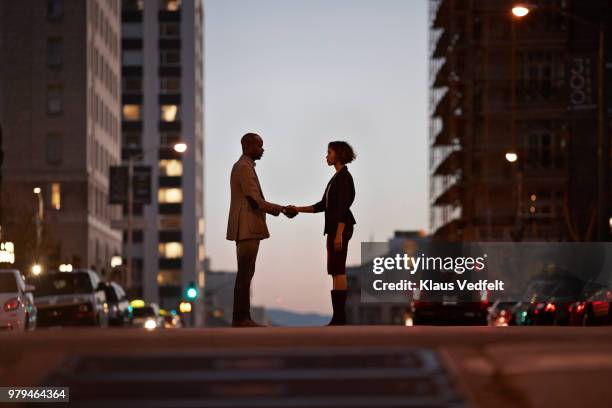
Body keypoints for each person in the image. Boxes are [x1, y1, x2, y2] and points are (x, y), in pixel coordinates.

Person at [226, 133, 297, 328]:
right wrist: (281, 209)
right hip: (247, 227)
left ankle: (241, 317)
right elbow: (254, 200)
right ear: (247, 146)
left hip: (246, 227)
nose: (262, 150)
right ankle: (241, 318)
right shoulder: (243, 167)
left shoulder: (243, 166)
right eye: (259, 146)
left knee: (245, 273)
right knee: (245, 273)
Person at [288, 141, 356, 325]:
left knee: (338, 269)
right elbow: (322, 206)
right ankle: (338, 316)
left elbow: (343, 207)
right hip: (334, 228)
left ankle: (340, 317)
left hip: (340, 228)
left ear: (338, 155)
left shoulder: (343, 178)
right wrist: (298, 209)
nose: (326, 156)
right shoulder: (337, 178)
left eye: (329, 152)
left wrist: (339, 234)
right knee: (335, 270)